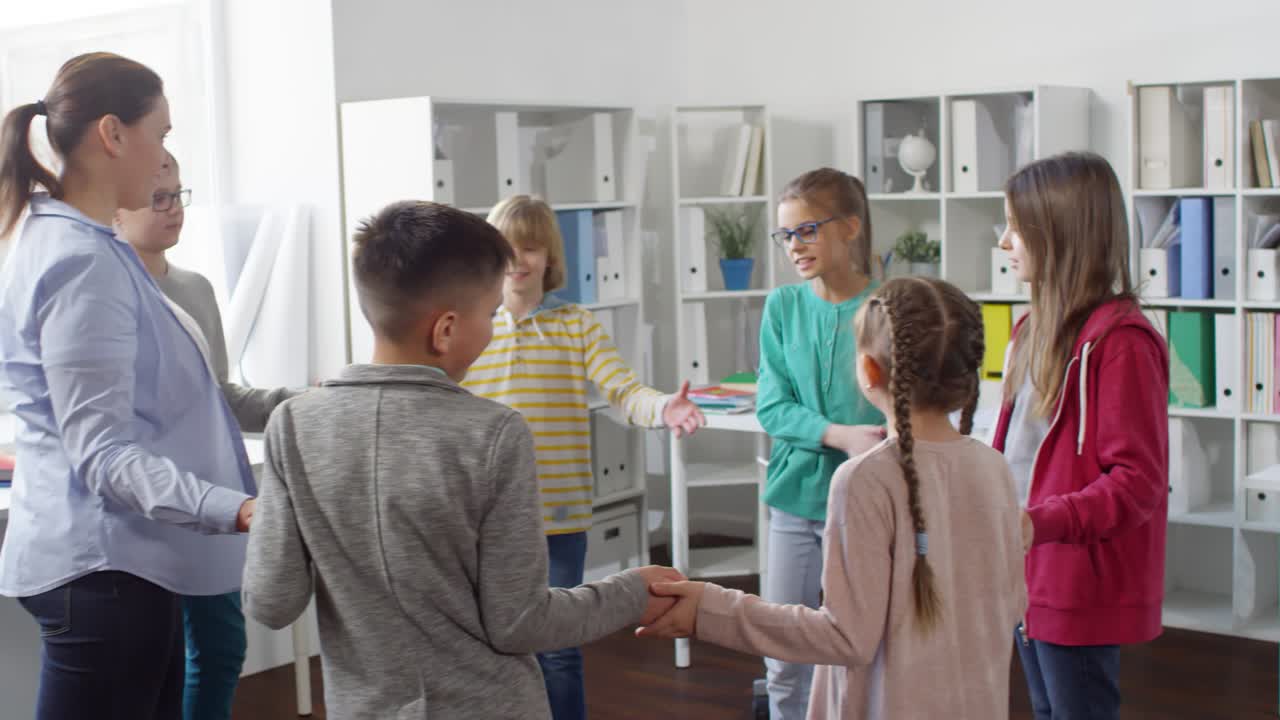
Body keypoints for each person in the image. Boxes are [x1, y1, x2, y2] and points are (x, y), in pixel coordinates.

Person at [242, 200, 683, 719]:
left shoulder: (293, 425)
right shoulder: (494, 434)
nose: (496, 328)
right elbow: (520, 622)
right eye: (492, 313)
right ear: (445, 329)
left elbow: (270, 602)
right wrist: (634, 590)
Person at [636, 276, 1026, 719]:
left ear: (869, 371)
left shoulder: (864, 480)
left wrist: (710, 608)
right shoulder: (994, 469)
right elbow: (1011, 605)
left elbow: (845, 637)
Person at [0, 53, 255, 720]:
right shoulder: (82, 260)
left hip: (125, 562)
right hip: (101, 567)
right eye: (161, 135)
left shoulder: (80, 242)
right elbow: (104, 454)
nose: (164, 158)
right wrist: (235, 508)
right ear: (112, 134)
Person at [462, 194, 704, 720]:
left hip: (559, 515)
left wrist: (665, 407)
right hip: (484, 517)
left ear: (550, 257)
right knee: (489, 648)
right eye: (508, 246)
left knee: (558, 652)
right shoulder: (472, 329)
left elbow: (624, 390)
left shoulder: (577, 325)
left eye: (532, 248)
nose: (519, 259)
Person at [114, 151, 302, 720]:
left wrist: (304, 405)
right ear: (114, 210)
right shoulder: (104, 293)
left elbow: (221, 396)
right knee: (152, 662)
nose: (174, 210)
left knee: (221, 648)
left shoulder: (195, 288)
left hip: (208, 498)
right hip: (138, 505)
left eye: (179, 195)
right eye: (159, 198)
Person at [992, 151, 1169, 720]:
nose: (1004, 242)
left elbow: (1138, 483)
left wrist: (1036, 524)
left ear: (1059, 232)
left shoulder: (1124, 343)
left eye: (1016, 228)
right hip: (1025, 571)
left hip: (1075, 578)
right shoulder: (1027, 330)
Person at [754, 168, 887, 718]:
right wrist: (840, 435)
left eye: (806, 231)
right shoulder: (782, 307)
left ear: (850, 226)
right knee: (783, 652)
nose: (794, 247)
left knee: (864, 649)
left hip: (869, 504)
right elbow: (772, 406)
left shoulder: (889, 305)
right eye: (785, 235)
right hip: (794, 499)